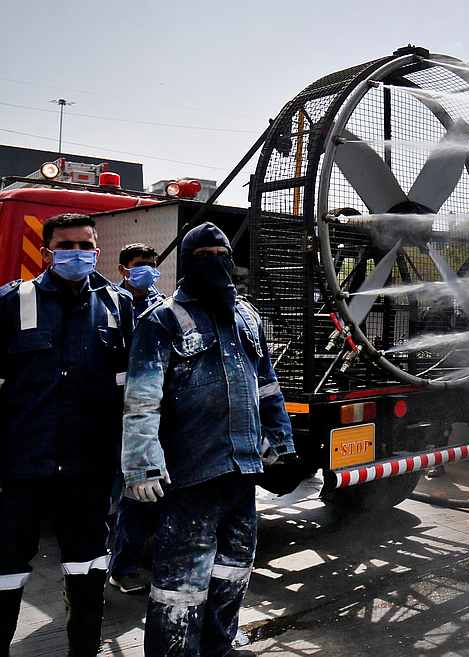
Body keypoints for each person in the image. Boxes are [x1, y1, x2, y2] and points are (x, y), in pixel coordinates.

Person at [121, 222, 295, 657]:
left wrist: (281, 443)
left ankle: (218, 647)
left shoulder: (248, 317)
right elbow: (142, 399)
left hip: (242, 470)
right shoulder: (162, 320)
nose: (216, 262)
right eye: (204, 256)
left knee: (234, 570)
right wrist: (142, 465)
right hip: (191, 474)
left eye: (221, 254)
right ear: (186, 264)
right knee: (181, 585)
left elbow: (267, 386)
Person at [0, 213, 133, 657]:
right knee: (5, 575)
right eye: (67, 245)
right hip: (21, 470)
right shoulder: (12, 303)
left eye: (86, 245)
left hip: (88, 472)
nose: (78, 254)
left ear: (98, 248)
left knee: (87, 576)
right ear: (46, 251)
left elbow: (135, 386)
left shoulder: (117, 306)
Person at [108, 243, 165, 594]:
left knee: (150, 489)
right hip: (117, 411)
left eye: (153, 265)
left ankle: (134, 558)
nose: (149, 271)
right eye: (141, 265)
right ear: (124, 270)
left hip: (153, 411)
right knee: (129, 490)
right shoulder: (110, 304)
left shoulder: (161, 305)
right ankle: (121, 566)